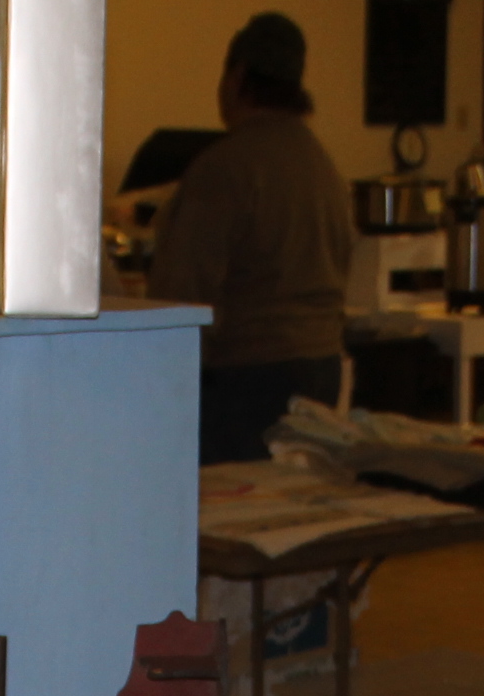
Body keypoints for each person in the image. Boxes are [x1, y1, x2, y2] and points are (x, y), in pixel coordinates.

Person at [147, 13, 353, 465]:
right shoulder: (323, 166)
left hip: (246, 378)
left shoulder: (225, 167)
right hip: (322, 370)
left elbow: (179, 294)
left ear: (237, 77)